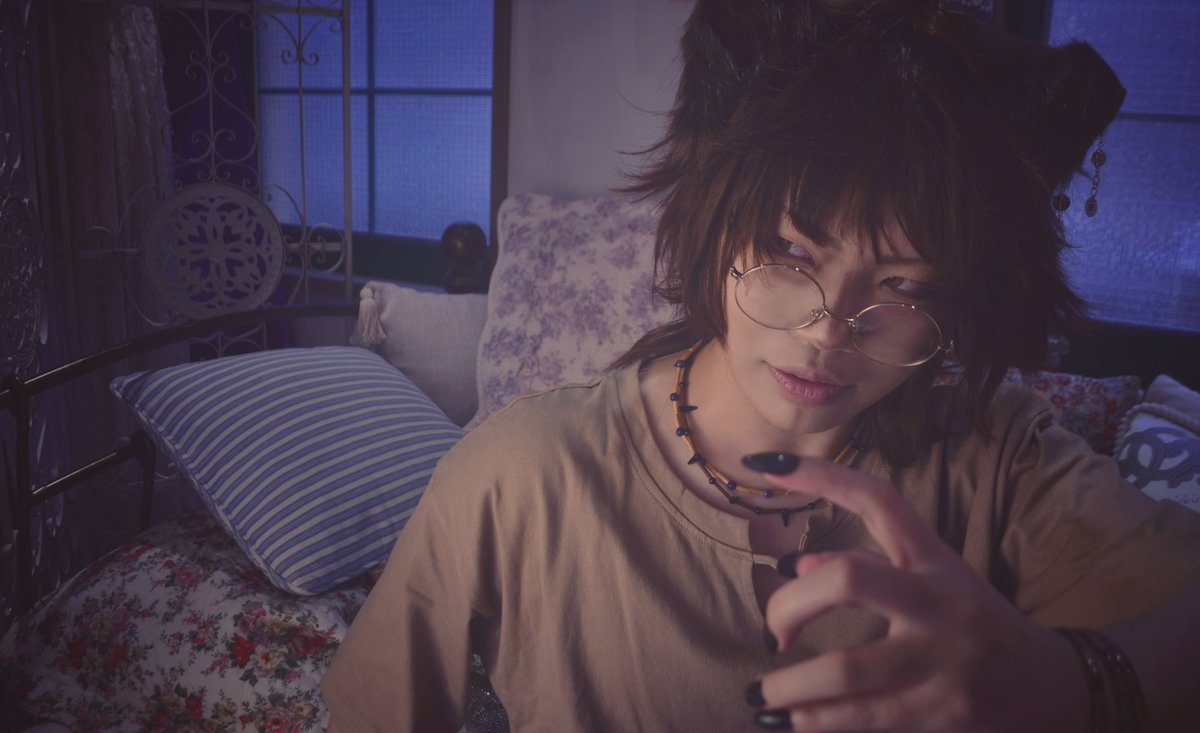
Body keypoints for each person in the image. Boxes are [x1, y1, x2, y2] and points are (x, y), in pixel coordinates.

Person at [322, 1, 1200, 730]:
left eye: (904, 286)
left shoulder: (998, 459)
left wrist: (1080, 683)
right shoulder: (520, 474)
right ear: (712, 225)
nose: (829, 331)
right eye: (790, 253)